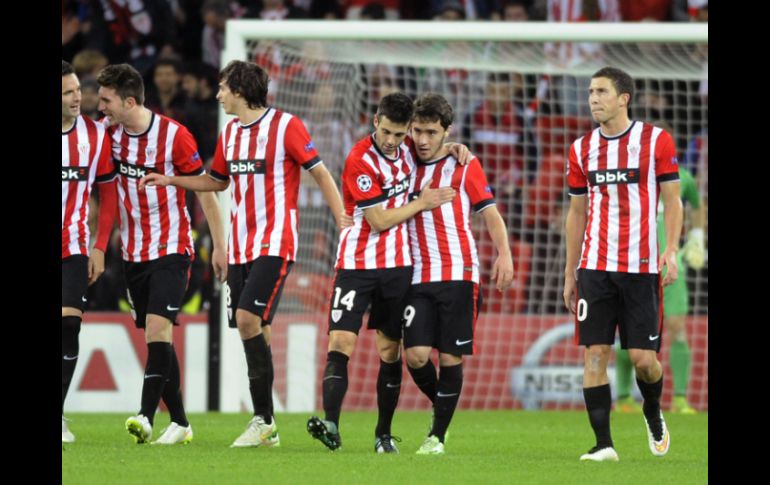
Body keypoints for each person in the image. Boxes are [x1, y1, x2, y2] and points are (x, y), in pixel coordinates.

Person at [140, 60, 345, 448]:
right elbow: (216, 181)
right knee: (256, 328)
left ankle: (263, 420)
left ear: (239, 89)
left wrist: (342, 219)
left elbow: (319, 172)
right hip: (240, 246)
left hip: (275, 242)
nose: (217, 95)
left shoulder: (287, 126)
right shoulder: (230, 133)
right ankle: (267, 427)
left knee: (247, 318)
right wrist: (171, 179)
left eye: (222, 88)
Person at [306, 92, 461, 454]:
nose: (391, 140)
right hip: (356, 266)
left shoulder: (410, 148)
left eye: (398, 134)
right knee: (340, 342)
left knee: (390, 350)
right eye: (386, 131)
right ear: (375, 121)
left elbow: (433, 144)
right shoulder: (360, 159)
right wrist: (420, 202)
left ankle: (383, 434)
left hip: (397, 269)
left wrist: (457, 147)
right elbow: (377, 222)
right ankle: (331, 422)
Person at [96, 63, 227, 445]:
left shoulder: (174, 137)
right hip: (133, 252)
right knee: (157, 340)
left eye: (105, 99)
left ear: (129, 101)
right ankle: (182, 422)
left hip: (172, 247)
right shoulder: (108, 134)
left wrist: (220, 245)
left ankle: (145, 415)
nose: (98, 105)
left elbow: (205, 190)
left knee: (158, 328)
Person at [563, 66, 682, 462]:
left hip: (642, 265)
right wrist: (570, 270)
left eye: (601, 91)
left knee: (643, 360)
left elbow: (672, 200)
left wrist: (672, 250)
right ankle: (603, 445)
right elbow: (576, 212)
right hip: (596, 266)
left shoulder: (655, 141)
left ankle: (652, 409)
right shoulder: (581, 149)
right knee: (595, 353)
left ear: (623, 97)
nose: (593, 98)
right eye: (590, 91)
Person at [404, 93, 514, 455]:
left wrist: (504, 254)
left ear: (446, 131)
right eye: (417, 130)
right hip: (417, 275)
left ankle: (436, 435)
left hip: (459, 274)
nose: (423, 139)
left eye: (432, 133)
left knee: (450, 357)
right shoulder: (402, 161)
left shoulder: (464, 166)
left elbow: (490, 212)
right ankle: (443, 407)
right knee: (416, 355)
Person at [615, 121, 705, 415]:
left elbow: (696, 205)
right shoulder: (629, 176)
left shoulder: (684, 178)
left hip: (669, 267)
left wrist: (696, 238)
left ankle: (679, 399)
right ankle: (625, 398)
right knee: (629, 337)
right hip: (633, 264)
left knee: (678, 329)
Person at [61, 60, 118, 443]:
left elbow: (109, 193)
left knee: (69, 325)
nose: (77, 96)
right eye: (67, 92)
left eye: (78, 89)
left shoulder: (96, 135)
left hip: (74, 246)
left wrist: (99, 246)